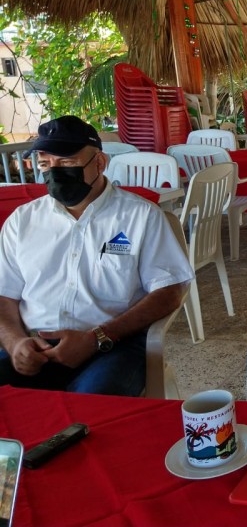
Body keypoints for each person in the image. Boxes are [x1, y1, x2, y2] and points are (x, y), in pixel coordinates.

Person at [0, 116, 194, 396]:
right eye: (45, 164)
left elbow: (170, 291)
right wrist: (14, 342)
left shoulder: (140, 216)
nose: (55, 172)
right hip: (34, 345)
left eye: (67, 162)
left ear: (99, 163)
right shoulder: (22, 221)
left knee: (94, 412)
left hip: (112, 346)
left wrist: (97, 338)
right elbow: (4, 295)